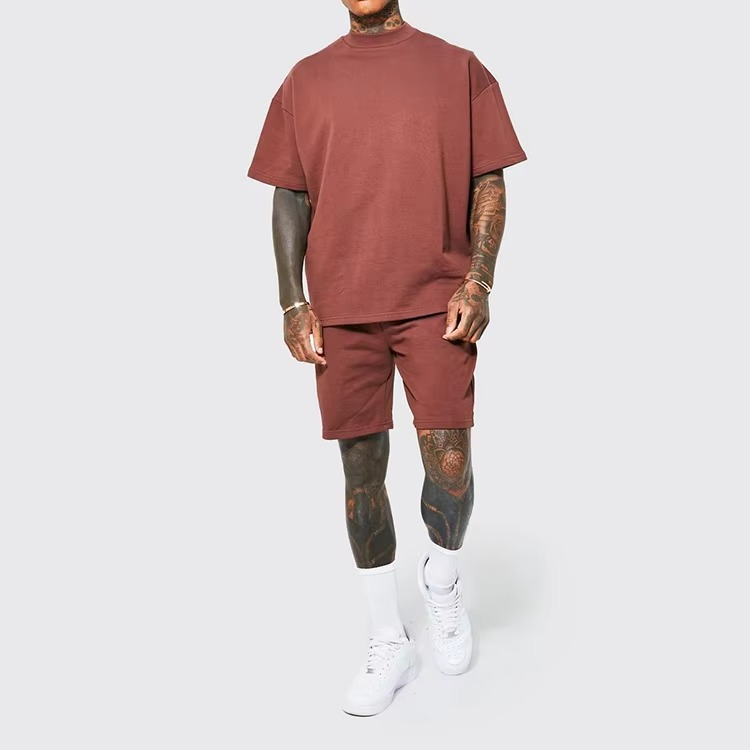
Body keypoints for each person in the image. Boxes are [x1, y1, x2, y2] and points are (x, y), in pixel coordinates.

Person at [245, 0, 527, 716]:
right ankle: (386, 638)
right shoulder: (305, 80)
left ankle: (442, 580)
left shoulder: (458, 69)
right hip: (342, 308)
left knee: (451, 469)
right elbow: (289, 195)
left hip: (436, 300)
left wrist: (479, 280)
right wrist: (292, 302)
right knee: (360, 475)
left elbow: (489, 179)